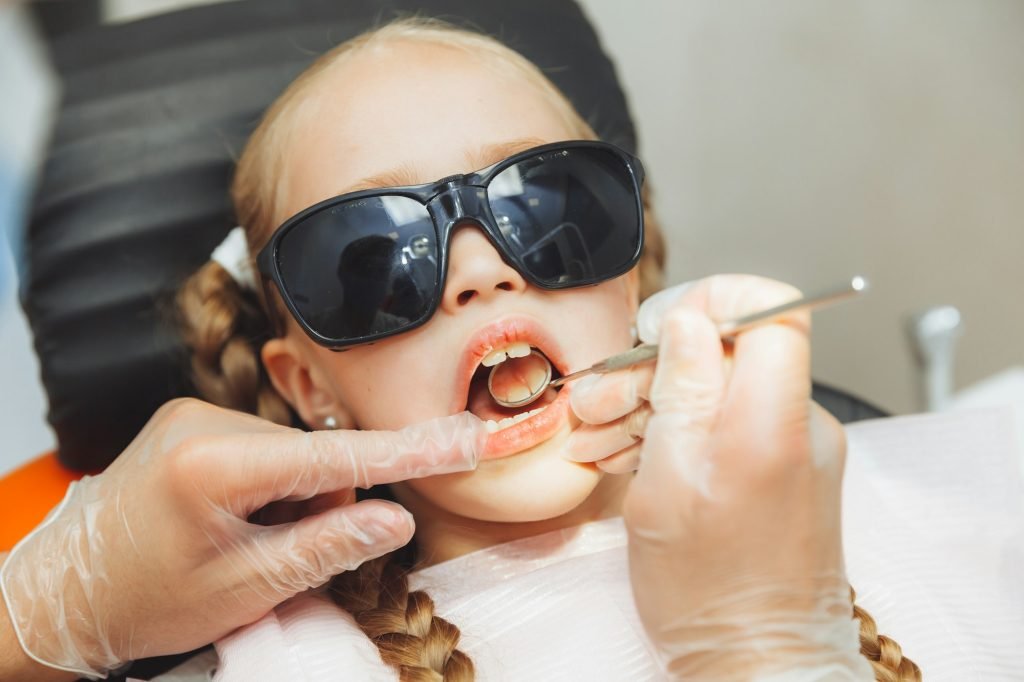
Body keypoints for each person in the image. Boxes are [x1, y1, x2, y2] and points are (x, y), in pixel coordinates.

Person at [0, 17, 919, 682]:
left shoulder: (919, 493)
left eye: (550, 205)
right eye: (368, 255)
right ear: (309, 386)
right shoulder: (293, 666)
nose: (477, 272)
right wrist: (31, 618)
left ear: (633, 280)